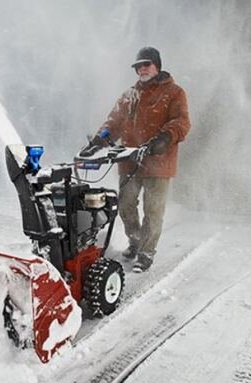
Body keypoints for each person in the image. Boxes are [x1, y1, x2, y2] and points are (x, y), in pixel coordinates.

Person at [82, 46, 191, 272]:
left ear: (157, 65)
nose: (142, 69)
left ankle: (146, 252)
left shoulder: (174, 92)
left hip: (158, 163)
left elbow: (181, 122)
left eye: (146, 64)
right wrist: (97, 143)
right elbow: (113, 123)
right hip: (129, 160)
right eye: (138, 66)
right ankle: (135, 241)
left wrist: (163, 139)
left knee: (153, 210)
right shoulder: (129, 95)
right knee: (125, 205)